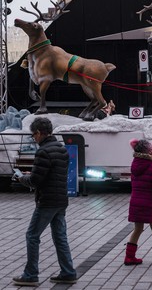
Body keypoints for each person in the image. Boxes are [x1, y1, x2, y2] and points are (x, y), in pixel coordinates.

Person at [13, 117, 77, 286]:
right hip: (61, 200)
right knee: (60, 237)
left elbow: (36, 181)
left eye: (34, 135)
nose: (34, 138)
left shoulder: (43, 152)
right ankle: (68, 272)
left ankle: (31, 274)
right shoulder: (61, 149)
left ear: (40, 133)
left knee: (32, 235)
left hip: (47, 201)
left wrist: (22, 178)